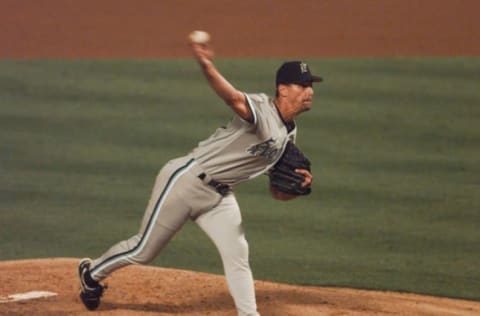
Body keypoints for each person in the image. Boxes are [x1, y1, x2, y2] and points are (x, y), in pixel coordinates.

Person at [78, 36, 321, 316]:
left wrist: (297, 189)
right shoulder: (262, 108)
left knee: (238, 254)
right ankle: (91, 273)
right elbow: (231, 97)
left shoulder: (289, 134)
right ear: (283, 89)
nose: (309, 91)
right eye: (303, 85)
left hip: (219, 196)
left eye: (311, 85)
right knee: (143, 250)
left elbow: (277, 192)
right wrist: (206, 64)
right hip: (186, 181)